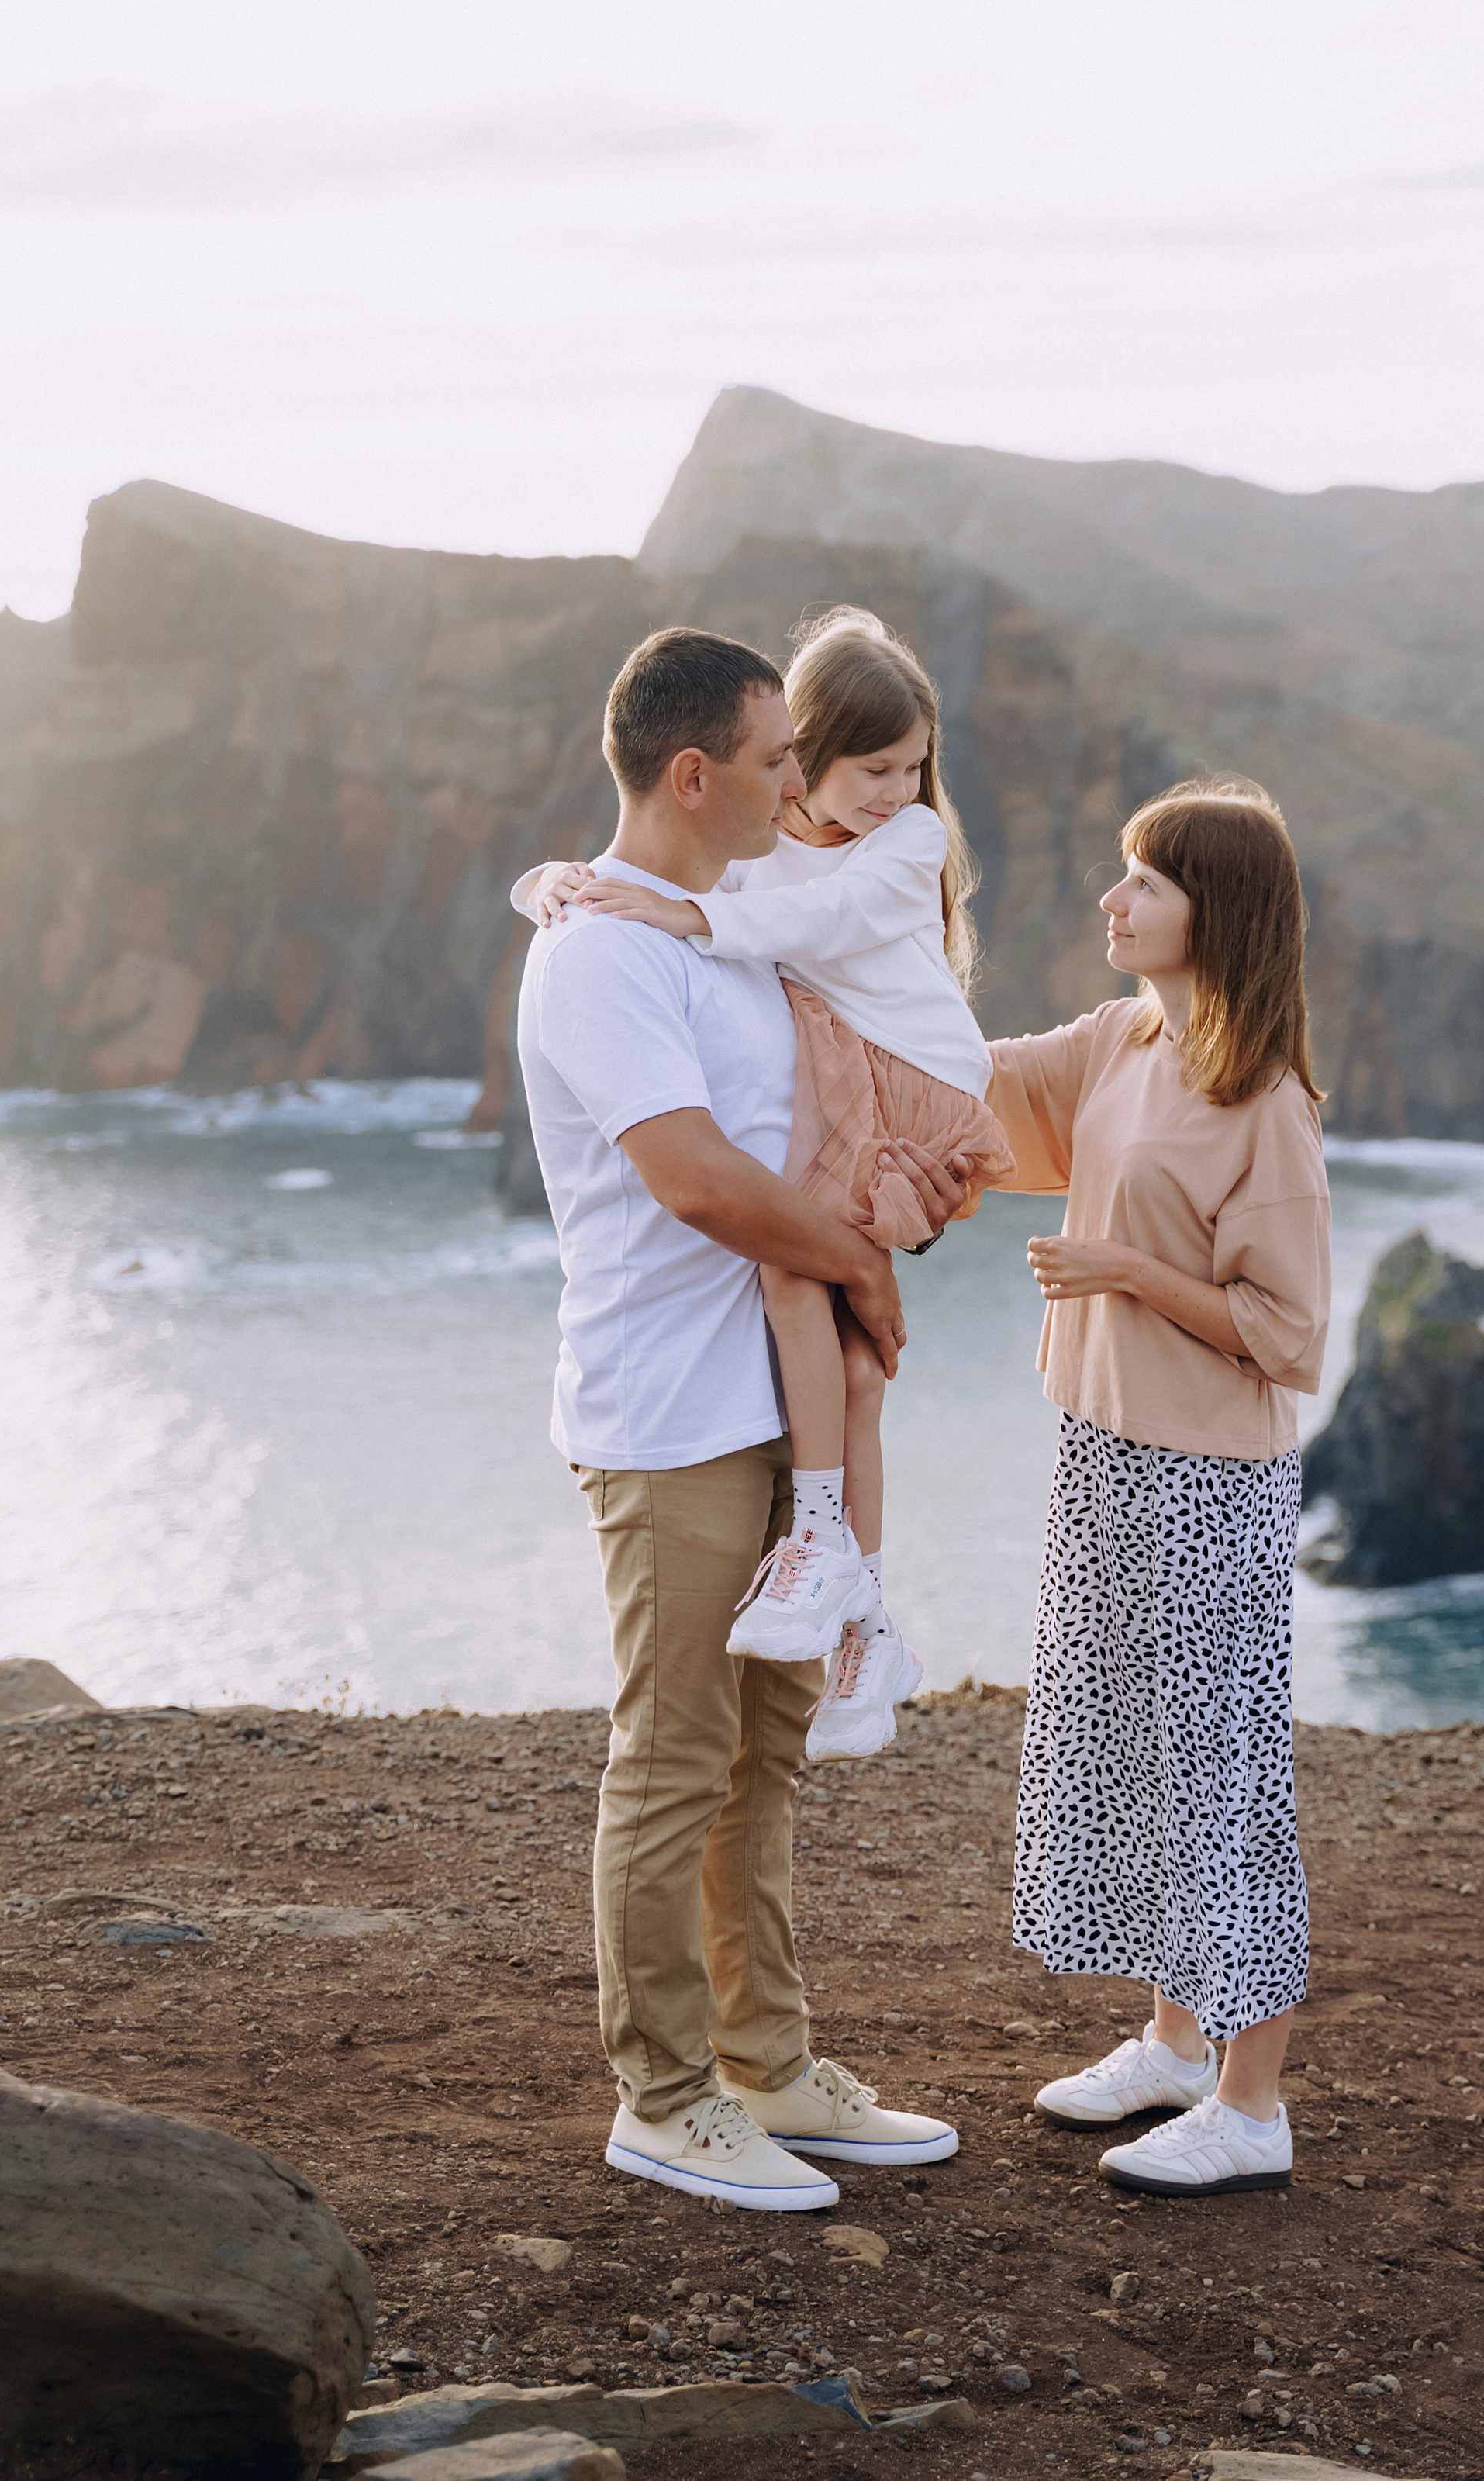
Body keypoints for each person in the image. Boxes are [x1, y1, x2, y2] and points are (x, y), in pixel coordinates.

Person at [516, 624, 962, 2209]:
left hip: (785, 1400)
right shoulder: (595, 954)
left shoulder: (726, 932)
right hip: (669, 1415)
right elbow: (698, 1178)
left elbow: (830, 1112)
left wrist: (887, 1221)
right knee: (677, 1751)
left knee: (767, 1752)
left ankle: (769, 2063)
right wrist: (859, 1268)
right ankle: (664, 2092)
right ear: (694, 771)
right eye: (779, 759)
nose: (801, 782)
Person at [515, 608, 1013, 1761]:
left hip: (904, 1095)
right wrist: (552, 882)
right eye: (856, 765)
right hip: (684, 1387)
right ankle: (864, 1605)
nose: (899, 790)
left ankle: (842, 1563)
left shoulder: (900, 847)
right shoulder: (746, 868)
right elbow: (699, 1157)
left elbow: (807, 919)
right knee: (842, 1344)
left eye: (913, 769)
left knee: (817, 1299)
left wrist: (683, 910)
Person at [983, 780, 1331, 2199]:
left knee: (1220, 1778)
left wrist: (1126, 1274)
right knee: (1133, 1753)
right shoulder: (1125, 1038)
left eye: (1144, 883)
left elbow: (1288, 1335)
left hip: (1207, 1483)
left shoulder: (1265, 1103)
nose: (1112, 902)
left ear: (1216, 914)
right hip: (1104, 1449)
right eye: (1121, 873)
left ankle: (1252, 2105)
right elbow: (976, 1077)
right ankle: (1176, 2042)